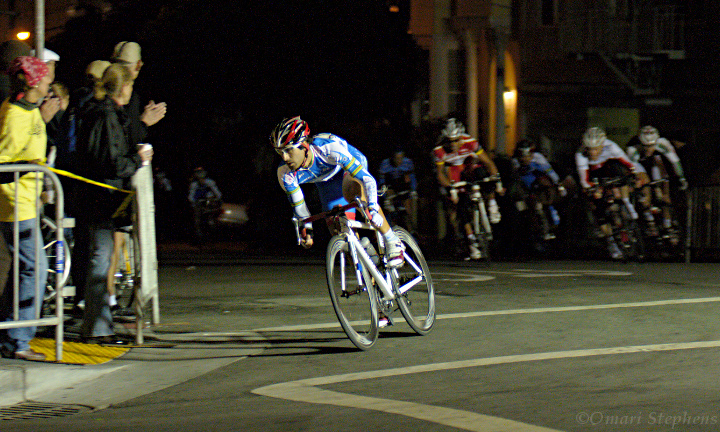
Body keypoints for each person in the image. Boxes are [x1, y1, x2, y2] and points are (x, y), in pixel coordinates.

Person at [74, 63, 153, 344]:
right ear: (123, 87)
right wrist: (138, 159)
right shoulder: (107, 115)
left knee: (101, 258)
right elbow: (112, 162)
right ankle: (97, 328)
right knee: (100, 259)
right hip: (101, 198)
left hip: (97, 197)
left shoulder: (100, 112)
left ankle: (98, 325)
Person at [272, 116, 405, 273]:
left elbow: (368, 180)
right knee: (339, 231)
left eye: (288, 150)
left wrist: (373, 207)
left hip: (347, 170)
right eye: (280, 152)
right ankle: (371, 275)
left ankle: (392, 240)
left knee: (352, 193)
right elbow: (300, 208)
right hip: (327, 183)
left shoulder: (328, 148)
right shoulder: (284, 173)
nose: (285, 158)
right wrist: (307, 230)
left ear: (304, 146)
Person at [0, 56, 52, 361]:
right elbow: (3, 162)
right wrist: (29, 166)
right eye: (46, 79)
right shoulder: (14, 115)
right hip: (16, 203)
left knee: (25, 269)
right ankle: (19, 339)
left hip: (28, 200)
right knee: (35, 268)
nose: (49, 84)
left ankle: (11, 334)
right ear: (33, 83)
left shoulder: (30, 110)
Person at [433, 118, 504, 260]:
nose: (453, 144)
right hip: (453, 171)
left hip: (468, 168)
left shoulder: (470, 142)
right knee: (459, 204)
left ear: (462, 137)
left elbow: (488, 163)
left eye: (456, 140)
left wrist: (498, 183)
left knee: (482, 172)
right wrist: (450, 188)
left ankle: (492, 204)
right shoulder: (439, 150)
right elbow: (440, 174)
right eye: (449, 141)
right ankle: (471, 239)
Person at [575, 127, 640, 260]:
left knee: (619, 170)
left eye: (596, 149)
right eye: (589, 149)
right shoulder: (580, 154)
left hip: (608, 168)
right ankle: (611, 242)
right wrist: (594, 189)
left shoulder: (611, 146)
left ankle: (626, 202)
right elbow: (584, 180)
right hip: (592, 173)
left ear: (602, 145)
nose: (592, 152)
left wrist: (634, 174)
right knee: (597, 204)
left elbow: (628, 163)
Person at [626, 125, 688, 232]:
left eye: (652, 145)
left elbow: (675, 162)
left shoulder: (663, 143)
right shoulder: (632, 149)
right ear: (640, 142)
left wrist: (681, 178)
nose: (649, 149)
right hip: (639, 164)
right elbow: (632, 171)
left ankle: (667, 222)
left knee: (664, 188)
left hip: (656, 162)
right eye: (646, 146)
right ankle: (649, 219)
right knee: (644, 187)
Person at [110, 42, 166, 147]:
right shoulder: (128, 97)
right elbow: (122, 143)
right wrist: (144, 123)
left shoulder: (101, 89)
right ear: (138, 64)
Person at [511, 139, 566, 241]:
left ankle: (551, 222)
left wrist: (559, 185)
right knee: (519, 206)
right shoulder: (514, 162)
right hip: (524, 186)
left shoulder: (539, 158)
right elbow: (515, 179)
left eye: (528, 156)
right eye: (522, 156)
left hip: (538, 185)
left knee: (545, 200)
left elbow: (550, 172)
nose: (525, 159)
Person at [377, 149, 418, 232]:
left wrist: (413, 190)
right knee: (389, 210)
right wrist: (385, 197)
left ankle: (412, 230)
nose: (399, 161)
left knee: (409, 209)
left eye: (401, 158)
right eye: (397, 158)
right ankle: (392, 227)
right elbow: (381, 182)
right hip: (390, 186)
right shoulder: (385, 164)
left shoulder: (408, 162)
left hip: (403, 185)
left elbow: (412, 178)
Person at [188, 167, 222, 243]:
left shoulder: (210, 182)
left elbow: (217, 193)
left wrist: (216, 199)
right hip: (198, 202)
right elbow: (191, 195)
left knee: (212, 214)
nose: (201, 180)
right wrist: (193, 202)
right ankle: (198, 233)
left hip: (208, 201)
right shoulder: (194, 184)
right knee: (197, 218)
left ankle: (212, 224)